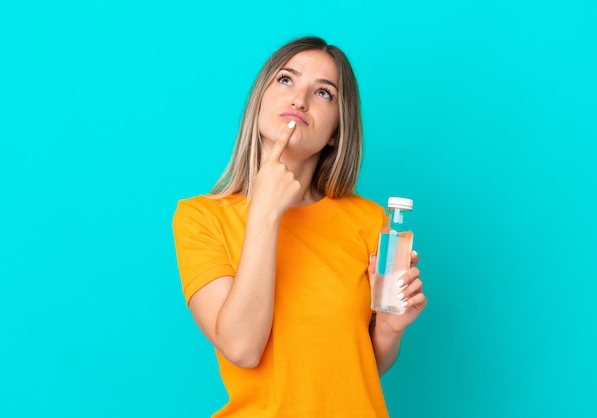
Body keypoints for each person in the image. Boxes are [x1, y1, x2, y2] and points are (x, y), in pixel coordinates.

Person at [172, 36, 427, 417]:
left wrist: (390, 330)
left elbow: (353, 371)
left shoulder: (370, 221)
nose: (299, 100)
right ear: (260, 100)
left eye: (323, 93)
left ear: (337, 130)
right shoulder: (201, 218)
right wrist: (264, 213)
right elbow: (242, 348)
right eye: (286, 80)